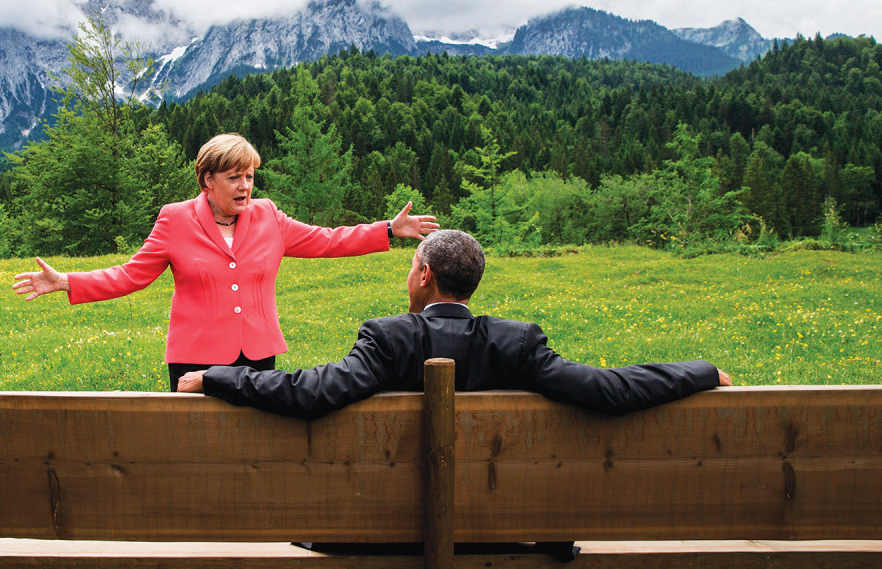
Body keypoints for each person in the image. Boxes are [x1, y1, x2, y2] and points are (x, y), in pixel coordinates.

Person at [12, 133, 439, 391]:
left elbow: (325, 240)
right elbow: (131, 275)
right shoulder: (174, 219)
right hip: (194, 357)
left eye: (249, 177)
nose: (245, 186)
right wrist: (67, 281)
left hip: (257, 355)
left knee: (253, 446)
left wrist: (387, 229)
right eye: (234, 177)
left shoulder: (268, 215)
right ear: (207, 180)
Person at [177, 229, 731, 417]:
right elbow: (610, 389)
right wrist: (701, 371)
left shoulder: (388, 339)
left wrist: (219, 376)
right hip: (500, 528)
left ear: (424, 275)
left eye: (411, 268)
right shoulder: (517, 343)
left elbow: (310, 392)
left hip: (386, 533)